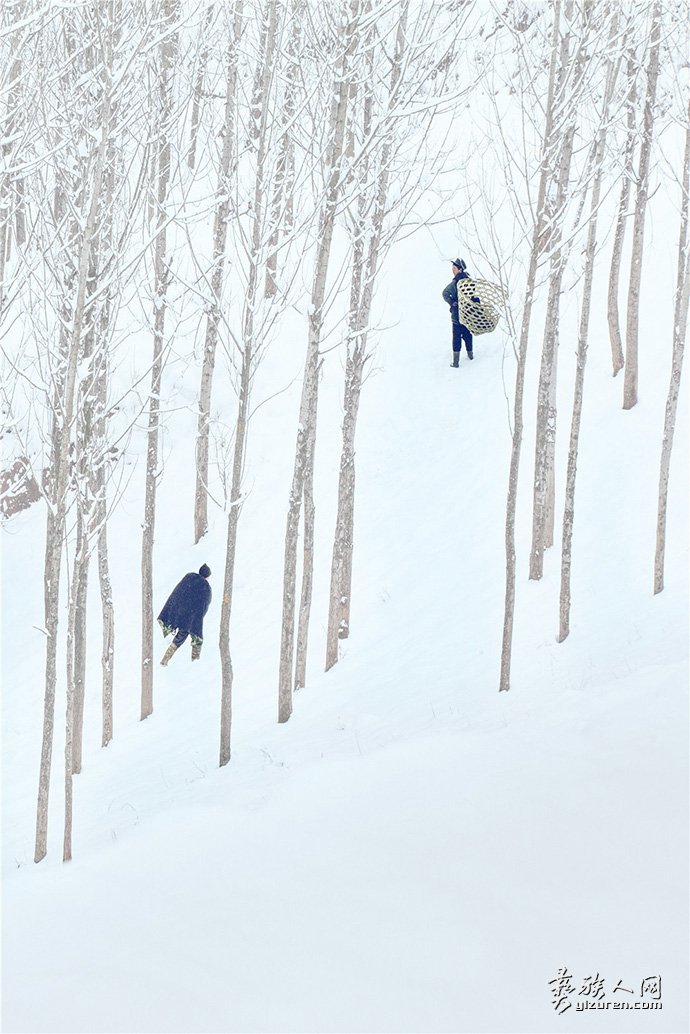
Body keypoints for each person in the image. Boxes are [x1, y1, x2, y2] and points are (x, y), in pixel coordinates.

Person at [158, 564, 212, 665]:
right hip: (190, 617)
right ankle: (195, 661)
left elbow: (178, 592)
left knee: (181, 636)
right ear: (207, 576)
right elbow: (204, 604)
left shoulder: (189, 577)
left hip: (178, 612)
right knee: (185, 637)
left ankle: (165, 660)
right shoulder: (206, 587)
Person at [442, 258, 474, 367]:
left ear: (460, 269)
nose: (453, 270)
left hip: (457, 316)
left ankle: (456, 362)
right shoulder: (470, 281)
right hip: (468, 314)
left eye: (454, 268)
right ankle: (471, 356)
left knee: (456, 337)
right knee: (467, 335)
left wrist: (452, 302)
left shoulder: (455, 282)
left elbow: (445, 293)